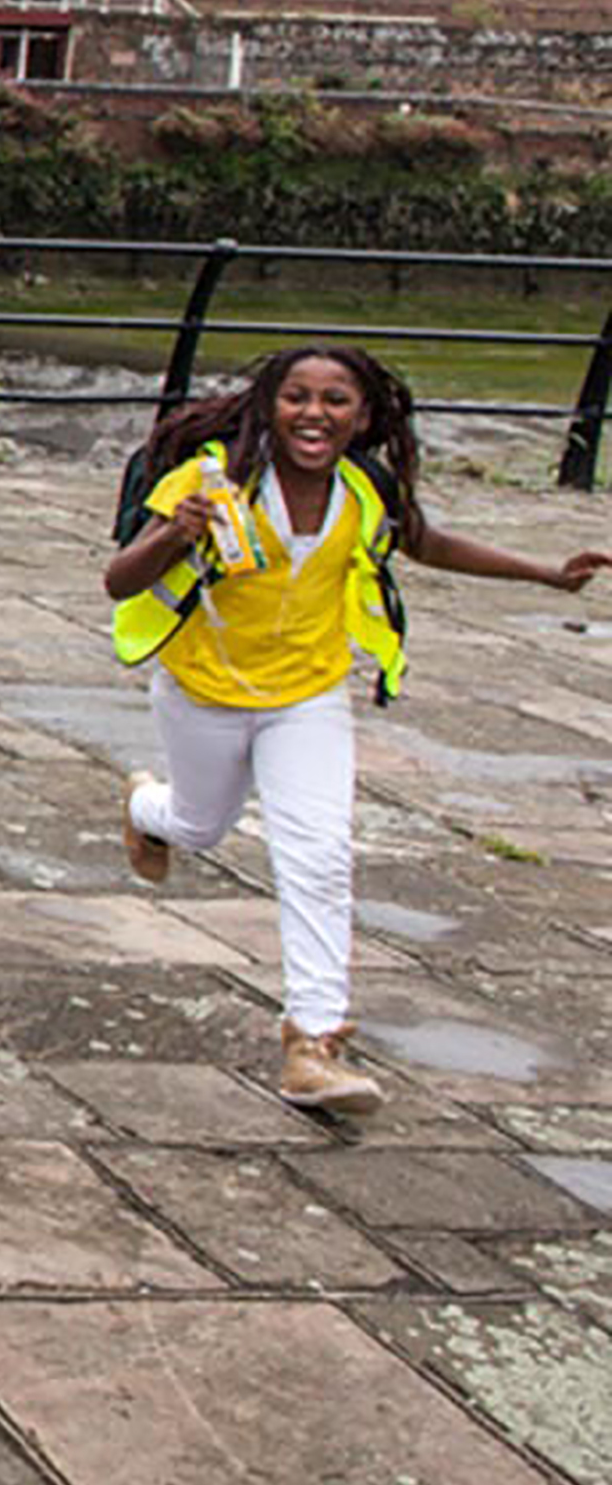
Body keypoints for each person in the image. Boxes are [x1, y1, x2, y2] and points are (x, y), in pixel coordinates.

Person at [106, 343, 607, 1116]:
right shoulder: (212, 477)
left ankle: (313, 1042)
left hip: (308, 695)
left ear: (364, 415)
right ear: (269, 406)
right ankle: (147, 809)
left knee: (319, 852)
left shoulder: (364, 487)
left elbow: (427, 541)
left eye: (336, 400)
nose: (315, 413)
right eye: (297, 397)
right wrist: (177, 531)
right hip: (201, 690)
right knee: (201, 826)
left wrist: (545, 572)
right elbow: (120, 579)